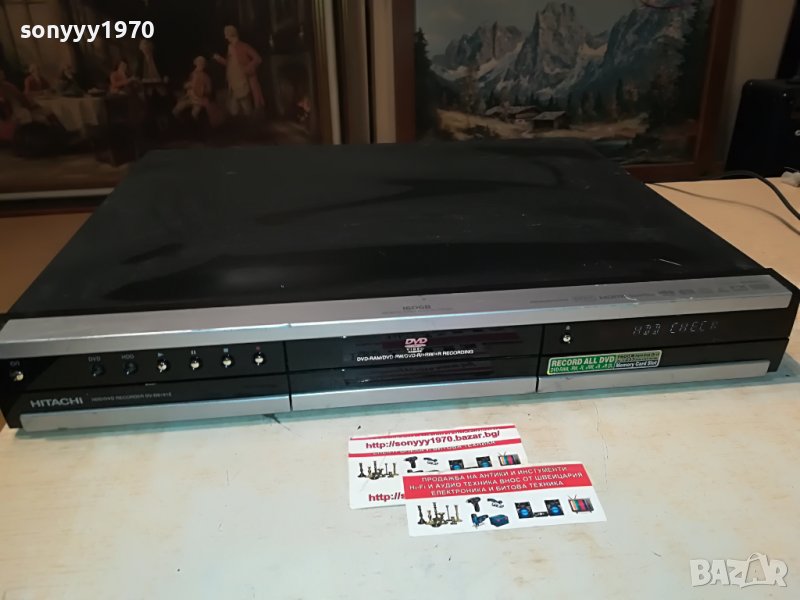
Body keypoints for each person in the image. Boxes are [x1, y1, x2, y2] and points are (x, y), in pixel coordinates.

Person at [212, 25, 264, 116]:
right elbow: (230, 64)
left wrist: (248, 67)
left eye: (226, 34)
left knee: (245, 106)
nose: (225, 37)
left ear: (232, 34)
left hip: (241, 81)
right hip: (233, 83)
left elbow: (258, 59)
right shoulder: (230, 47)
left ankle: (252, 120)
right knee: (234, 110)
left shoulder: (243, 46)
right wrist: (219, 59)